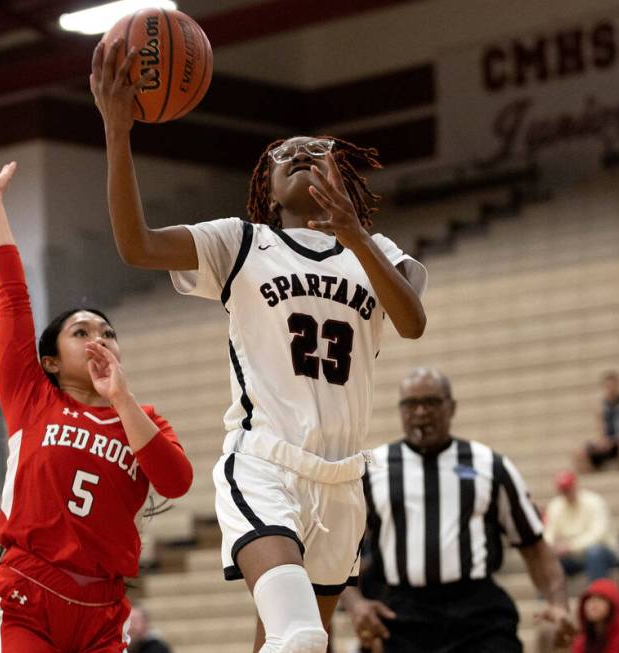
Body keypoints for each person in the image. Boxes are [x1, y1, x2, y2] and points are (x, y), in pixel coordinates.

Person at [91, 39, 428, 653]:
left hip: (343, 480)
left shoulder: (379, 254)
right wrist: (118, 132)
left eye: (316, 151)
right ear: (270, 189)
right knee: (299, 636)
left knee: (295, 643)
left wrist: (354, 234)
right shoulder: (240, 243)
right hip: (266, 464)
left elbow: (412, 322)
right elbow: (136, 245)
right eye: (284, 155)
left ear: (341, 176)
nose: (300, 154)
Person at [0, 163, 193, 652]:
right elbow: (12, 296)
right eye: (81, 332)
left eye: (108, 333)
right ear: (49, 360)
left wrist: (121, 399)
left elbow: (176, 482)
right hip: (26, 597)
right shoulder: (32, 396)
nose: (99, 340)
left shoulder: (142, 418)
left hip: (103, 615)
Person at [340, 368, 576, 653]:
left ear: (451, 407)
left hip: (477, 614)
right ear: (400, 411)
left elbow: (534, 547)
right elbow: (337, 548)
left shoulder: (490, 465)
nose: (420, 412)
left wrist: (559, 603)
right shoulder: (372, 467)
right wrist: (354, 603)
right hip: (402, 615)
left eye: (431, 402)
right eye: (411, 404)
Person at [545, 471, 619, 582]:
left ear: (575, 486)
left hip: (604, 551)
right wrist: (551, 547)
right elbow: (549, 533)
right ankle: (548, 597)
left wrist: (570, 546)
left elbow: (598, 534)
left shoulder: (594, 501)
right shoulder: (555, 506)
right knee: (547, 559)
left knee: (594, 552)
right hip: (572, 555)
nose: (566, 493)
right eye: (563, 490)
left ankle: (597, 593)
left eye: (568, 489)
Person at [574, 371, 619, 472]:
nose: (611, 389)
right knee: (578, 453)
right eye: (608, 386)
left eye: (613, 385)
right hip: (608, 441)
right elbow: (600, 427)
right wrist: (603, 440)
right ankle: (594, 472)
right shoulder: (601, 406)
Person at [571, 578, 619, 653]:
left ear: (613, 606)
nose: (593, 603)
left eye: (600, 598)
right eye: (589, 598)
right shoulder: (581, 642)